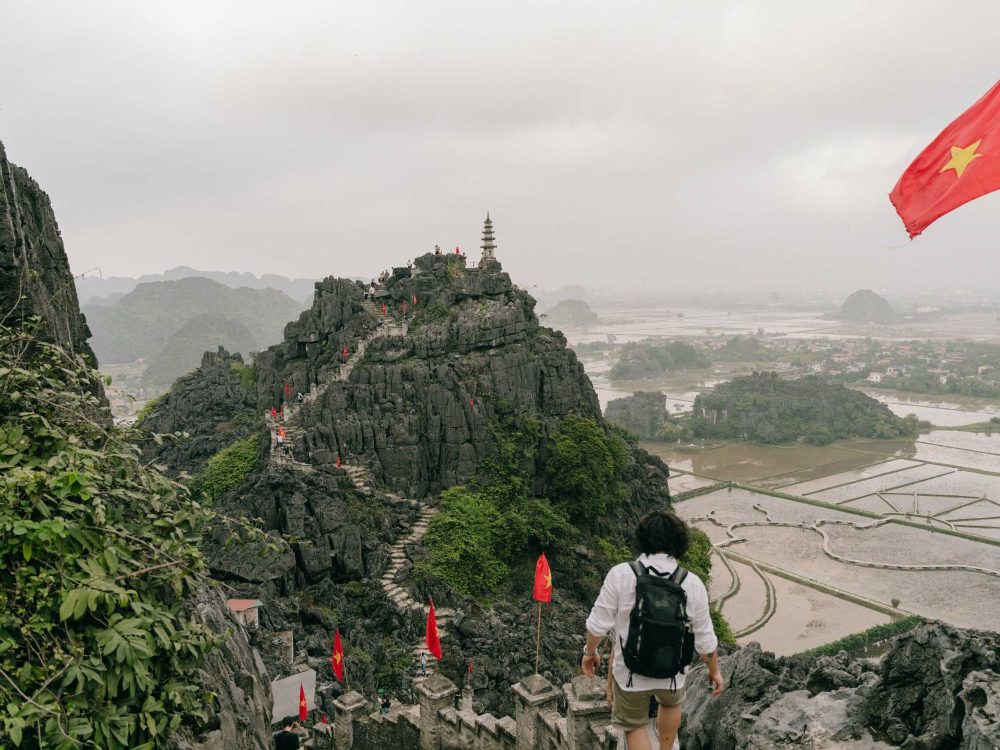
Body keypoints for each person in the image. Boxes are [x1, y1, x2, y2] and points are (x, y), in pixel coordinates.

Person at [583, 510, 725, 750]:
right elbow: (705, 640)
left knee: (634, 725)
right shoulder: (692, 583)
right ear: (680, 544)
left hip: (630, 672)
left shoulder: (620, 574)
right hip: (672, 672)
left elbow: (598, 624)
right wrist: (714, 671)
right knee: (670, 704)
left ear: (641, 539)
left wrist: (590, 652)